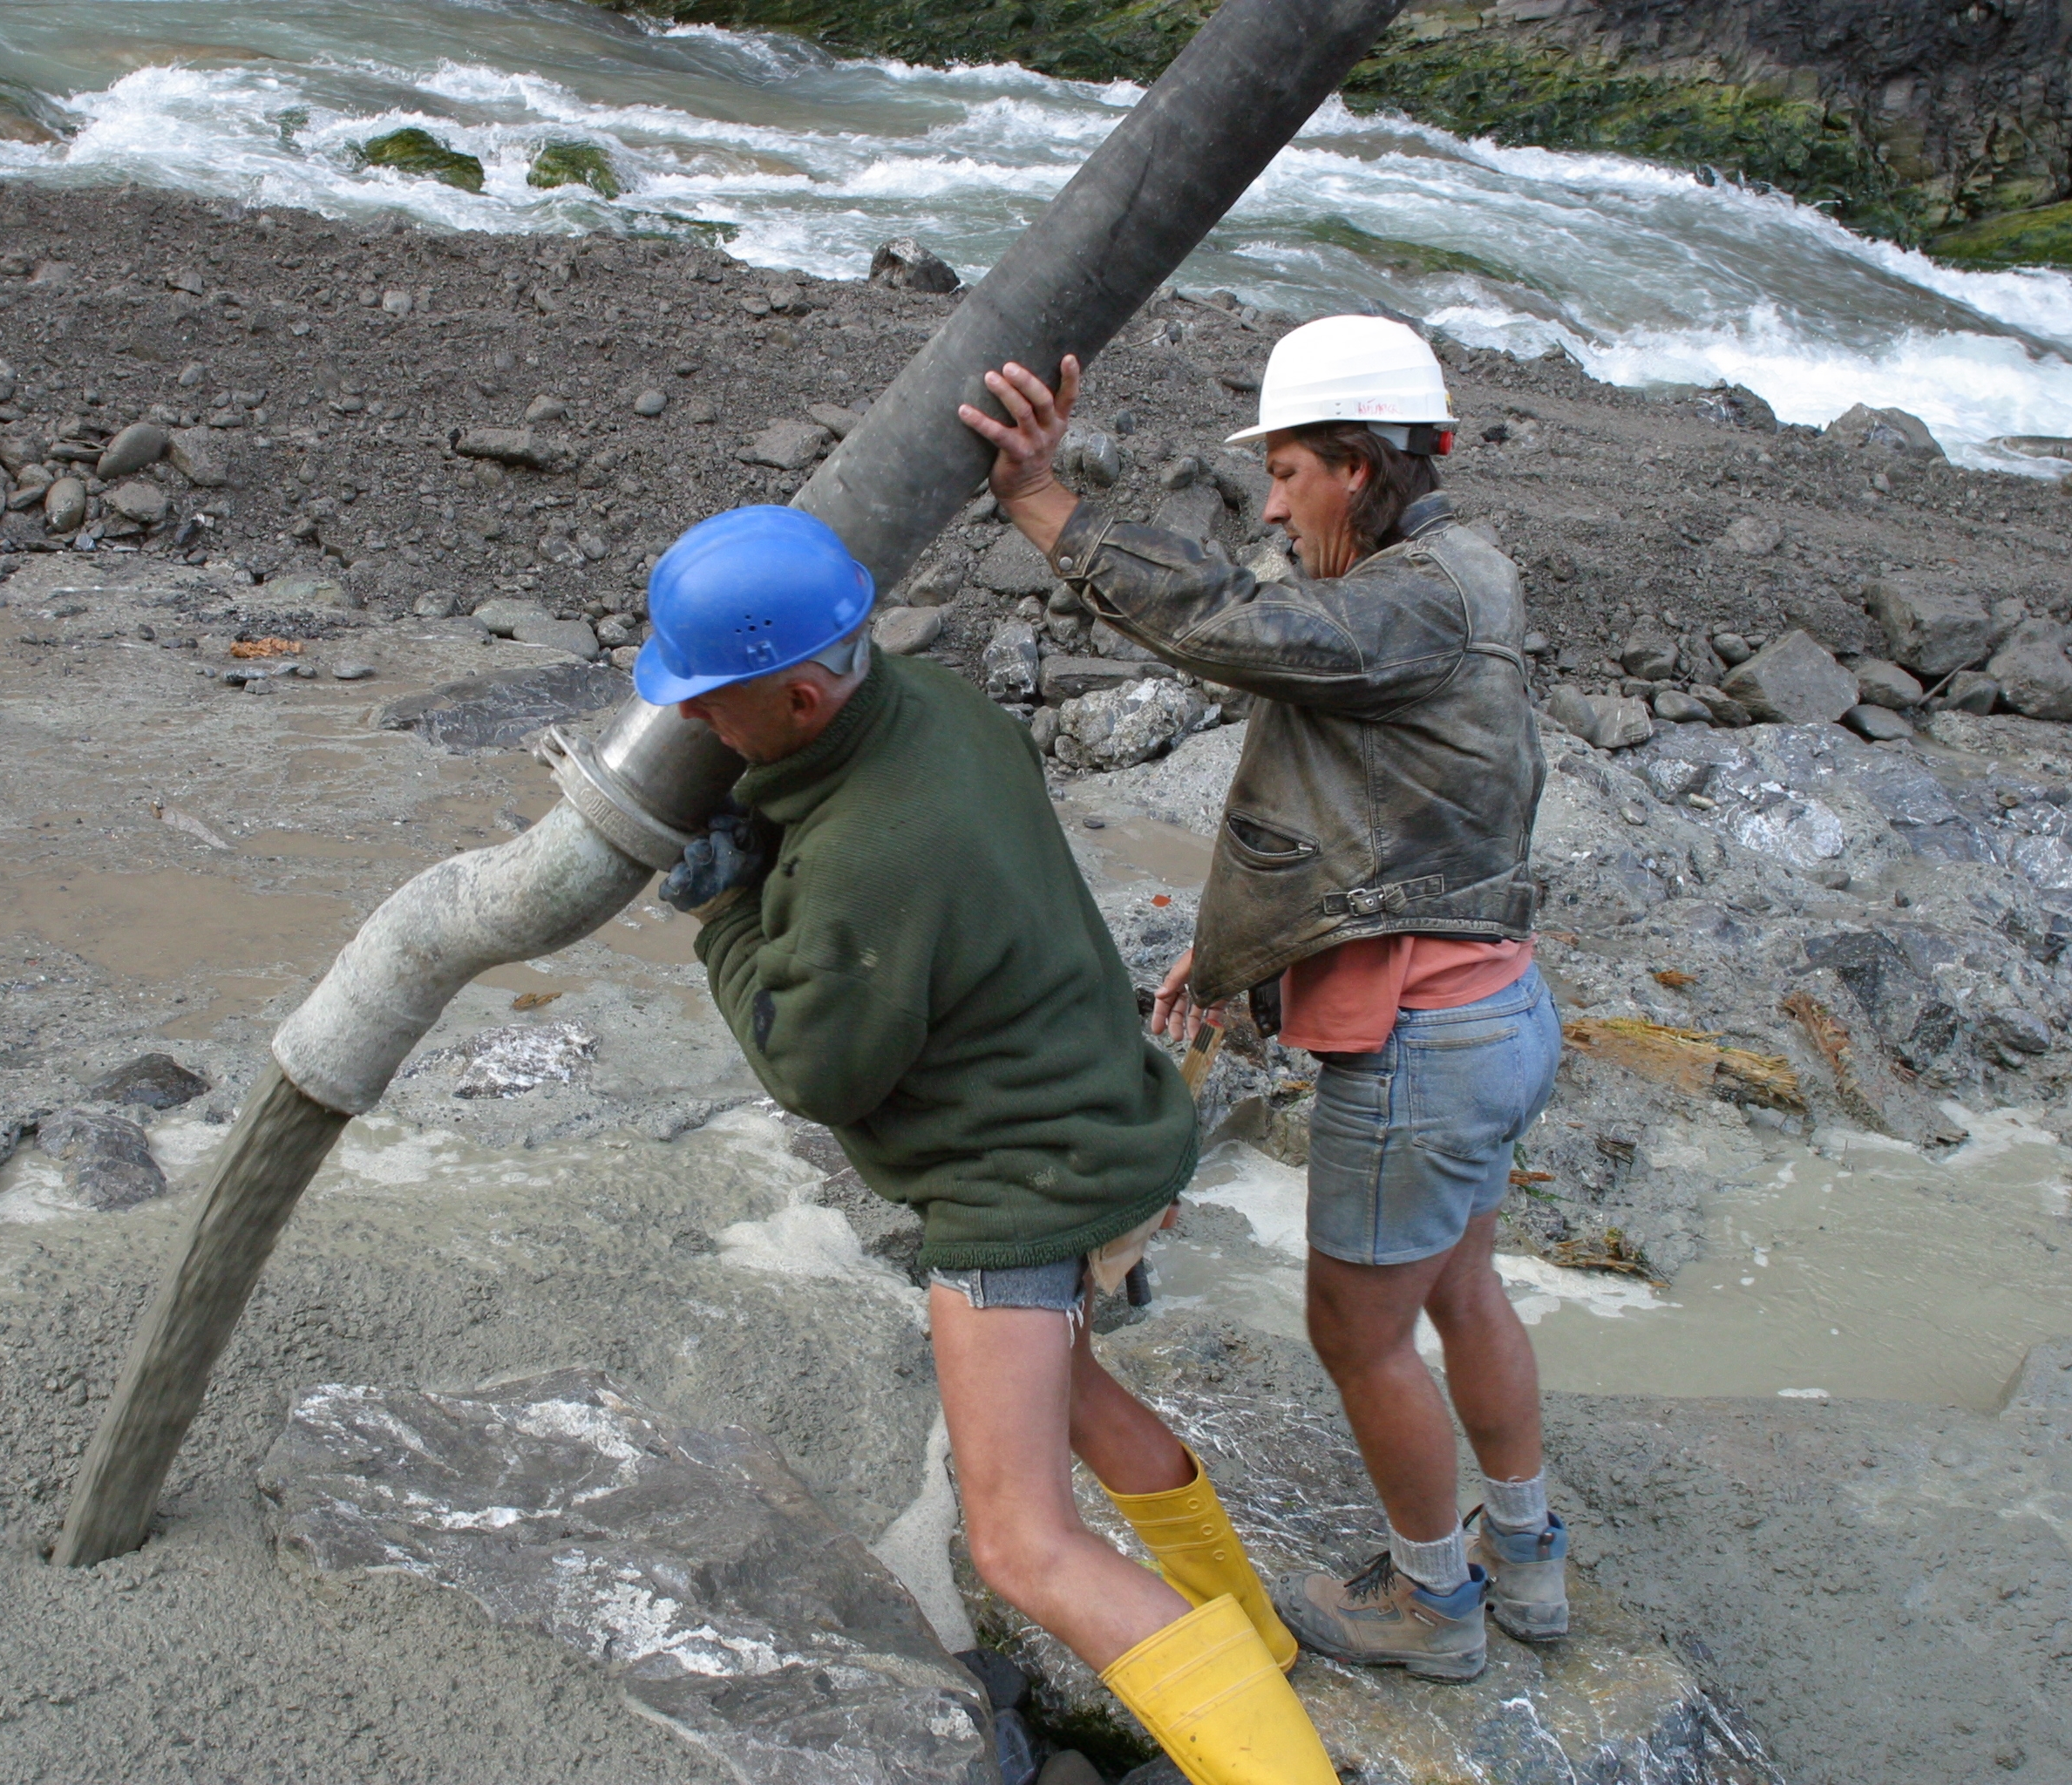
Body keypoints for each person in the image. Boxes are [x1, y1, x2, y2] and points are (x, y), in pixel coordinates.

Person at [640, 505, 1336, 1783]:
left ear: (800, 697)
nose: (693, 723)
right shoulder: (940, 708)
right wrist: (768, 835)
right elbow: (875, 858)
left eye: (710, 702)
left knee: (1023, 1546)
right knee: (1074, 1395)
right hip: (1110, 1121)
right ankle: (1257, 1645)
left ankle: (1285, 1768)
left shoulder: (869, 853)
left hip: (1021, 1186)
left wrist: (729, 914)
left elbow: (814, 1067)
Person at [958, 315, 1565, 1685]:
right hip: (1494, 1010)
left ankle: (1435, 1606)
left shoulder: (1410, 601)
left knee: (1358, 1332)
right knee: (1466, 1289)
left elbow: (1233, 627)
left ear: (1361, 465)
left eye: (1287, 475)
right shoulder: (1460, 571)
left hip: (1423, 1044)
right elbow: (1371, 822)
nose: (1275, 510)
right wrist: (1235, 948)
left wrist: (1047, 502)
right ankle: (1527, 1559)